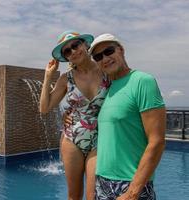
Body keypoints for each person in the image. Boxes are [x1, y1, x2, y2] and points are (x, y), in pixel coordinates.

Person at [89, 33, 166, 199]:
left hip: (131, 184)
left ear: (121, 50)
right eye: (98, 56)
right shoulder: (107, 89)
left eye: (109, 51)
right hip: (102, 183)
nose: (105, 58)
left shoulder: (142, 81)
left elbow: (157, 141)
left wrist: (132, 192)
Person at [39, 30, 110, 200]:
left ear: (85, 45)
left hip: (101, 138)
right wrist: (48, 76)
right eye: (67, 51)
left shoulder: (106, 71)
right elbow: (44, 108)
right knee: (74, 196)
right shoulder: (66, 78)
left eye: (75, 45)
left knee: (93, 196)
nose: (73, 51)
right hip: (72, 139)